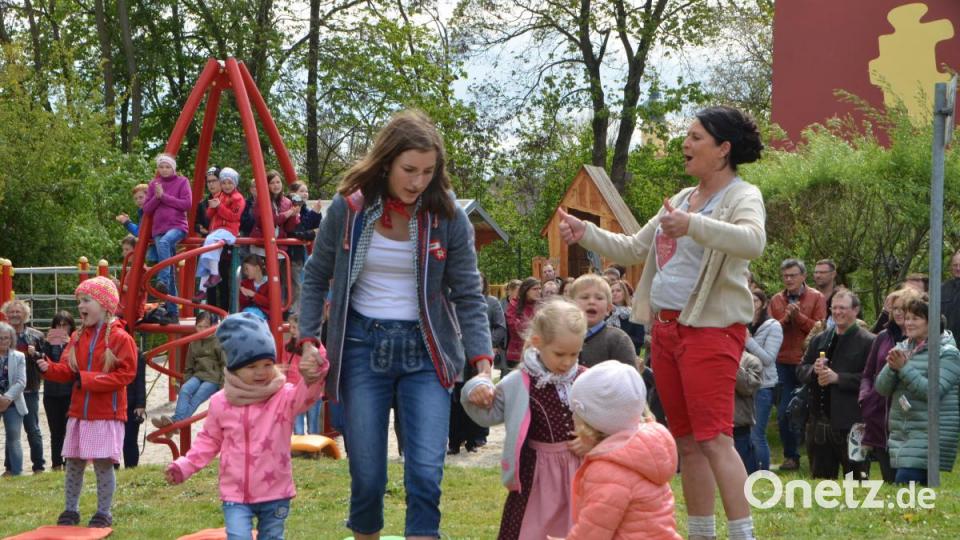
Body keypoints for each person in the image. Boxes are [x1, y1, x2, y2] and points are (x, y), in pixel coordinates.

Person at [558, 105, 764, 540]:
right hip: (667, 331)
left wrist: (693, 225)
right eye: (686, 136)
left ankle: (744, 534)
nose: (684, 145)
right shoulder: (683, 198)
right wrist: (585, 233)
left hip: (711, 331)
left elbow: (753, 241)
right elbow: (634, 247)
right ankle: (702, 533)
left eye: (695, 137)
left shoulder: (742, 196)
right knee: (686, 441)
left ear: (723, 149)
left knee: (715, 439)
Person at [297, 110, 494, 540]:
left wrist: (481, 360)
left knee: (425, 474)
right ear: (386, 162)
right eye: (409, 170)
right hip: (361, 347)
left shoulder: (447, 217)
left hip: (427, 353)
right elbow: (315, 276)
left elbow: (467, 293)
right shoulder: (348, 209)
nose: (417, 181)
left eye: (427, 171)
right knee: (367, 479)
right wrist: (308, 339)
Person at [165, 312, 328, 538]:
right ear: (234, 367)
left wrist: (315, 366)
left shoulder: (282, 396)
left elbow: (308, 395)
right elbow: (208, 441)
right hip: (236, 494)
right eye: (252, 366)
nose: (261, 372)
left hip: (275, 490)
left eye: (267, 364)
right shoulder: (221, 402)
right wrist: (185, 465)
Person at [463, 298, 589, 540]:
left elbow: (610, 418)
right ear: (537, 343)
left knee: (580, 526)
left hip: (581, 470)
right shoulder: (519, 381)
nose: (567, 362)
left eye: (574, 354)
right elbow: (487, 413)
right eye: (560, 353)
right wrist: (476, 389)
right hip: (537, 474)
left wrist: (591, 439)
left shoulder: (586, 379)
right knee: (530, 527)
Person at [36, 277, 137, 528]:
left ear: (104, 304)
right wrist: (47, 368)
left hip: (106, 414)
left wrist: (89, 379)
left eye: (86, 300)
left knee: (103, 465)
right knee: (74, 464)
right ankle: (71, 510)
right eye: (79, 301)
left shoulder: (121, 338)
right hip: (79, 413)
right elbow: (68, 371)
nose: (80, 306)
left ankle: (104, 512)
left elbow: (126, 375)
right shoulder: (78, 337)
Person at [562, 361, 681, 540]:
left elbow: (593, 530)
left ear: (591, 424)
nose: (572, 416)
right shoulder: (642, 452)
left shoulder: (607, 471)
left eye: (576, 412)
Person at [876, 295, 960, 485]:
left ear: (931, 323)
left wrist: (903, 368)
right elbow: (881, 389)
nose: (909, 323)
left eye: (916, 318)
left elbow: (933, 392)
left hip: (929, 434)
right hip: (902, 433)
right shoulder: (903, 348)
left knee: (905, 485)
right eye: (907, 318)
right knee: (913, 497)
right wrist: (892, 367)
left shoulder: (948, 353)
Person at [797, 289, 874, 479]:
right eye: (835, 308)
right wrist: (813, 370)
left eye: (843, 308)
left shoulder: (869, 341)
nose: (838, 312)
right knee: (821, 483)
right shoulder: (819, 339)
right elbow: (800, 370)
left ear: (856, 310)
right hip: (820, 423)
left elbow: (873, 380)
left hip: (854, 424)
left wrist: (839, 378)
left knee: (857, 482)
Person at [769, 258, 826, 471]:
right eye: (785, 276)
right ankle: (791, 456)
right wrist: (786, 318)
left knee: (812, 411)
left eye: (793, 275)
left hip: (806, 362)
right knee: (784, 410)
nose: (789, 279)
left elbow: (820, 329)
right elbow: (771, 329)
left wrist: (798, 317)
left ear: (803, 276)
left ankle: (817, 456)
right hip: (782, 362)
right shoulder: (776, 300)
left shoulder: (816, 297)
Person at [859, 287, 921, 482]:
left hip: (907, 414)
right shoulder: (882, 337)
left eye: (903, 308)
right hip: (878, 412)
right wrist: (865, 397)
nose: (899, 312)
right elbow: (867, 373)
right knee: (887, 475)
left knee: (905, 478)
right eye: (895, 308)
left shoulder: (919, 341)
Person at [449, 274, 503, 454]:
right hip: (456, 357)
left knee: (475, 397)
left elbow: (499, 327)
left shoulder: (491, 302)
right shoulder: (452, 301)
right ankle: (454, 442)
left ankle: (473, 439)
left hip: (477, 357)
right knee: (455, 401)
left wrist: (491, 345)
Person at [142, 153, 192, 324]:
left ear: (173, 168)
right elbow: (147, 209)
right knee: (170, 272)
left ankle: (161, 280)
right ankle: (173, 312)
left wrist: (164, 197)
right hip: (159, 229)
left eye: (167, 167)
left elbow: (186, 204)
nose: (164, 170)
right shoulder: (154, 184)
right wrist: (157, 197)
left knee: (164, 244)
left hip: (177, 227)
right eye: (161, 166)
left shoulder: (182, 182)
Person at [153, 312, 225, 428]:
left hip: (213, 378)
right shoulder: (194, 342)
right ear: (195, 327)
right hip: (198, 375)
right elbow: (189, 366)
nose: (202, 330)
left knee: (197, 397)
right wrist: (187, 380)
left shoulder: (217, 341)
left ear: (212, 326)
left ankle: (175, 422)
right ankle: (175, 423)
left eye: (206, 327)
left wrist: (223, 383)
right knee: (185, 389)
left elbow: (224, 364)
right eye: (199, 326)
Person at [2, 299, 46, 474]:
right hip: (6, 392)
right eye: (11, 312)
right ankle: (10, 467)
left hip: (29, 389)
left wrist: (35, 353)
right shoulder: (2, 333)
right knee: (11, 431)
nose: (14, 315)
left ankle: (38, 466)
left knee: (32, 429)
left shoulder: (36, 336)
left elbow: (46, 359)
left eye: (17, 312)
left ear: (25, 315)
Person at [194, 167, 246, 302]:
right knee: (207, 256)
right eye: (224, 183)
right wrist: (212, 207)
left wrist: (218, 207)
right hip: (217, 232)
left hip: (228, 232)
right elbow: (208, 216)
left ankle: (215, 275)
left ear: (235, 183)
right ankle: (202, 289)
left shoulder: (238, 198)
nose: (226, 186)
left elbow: (234, 216)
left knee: (209, 244)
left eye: (229, 183)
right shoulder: (218, 196)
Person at [745, 290, 782, 471]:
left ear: (763, 303)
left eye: (755, 300)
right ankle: (747, 471)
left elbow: (768, 359)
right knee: (743, 434)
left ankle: (762, 472)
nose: (751, 304)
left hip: (763, 386)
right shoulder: (740, 323)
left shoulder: (773, 326)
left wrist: (748, 341)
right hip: (741, 385)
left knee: (756, 433)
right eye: (748, 299)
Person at [569, 274, 636, 368]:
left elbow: (629, 378)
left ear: (608, 309)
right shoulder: (563, 336)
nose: (591, 301)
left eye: (599, 298)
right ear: (571, 305)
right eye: (584, 297)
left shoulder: (618, 340)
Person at [42, 311, 75, 471]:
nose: (62, 328)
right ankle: (56, 464)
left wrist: (71, 343)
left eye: (65, 325)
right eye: (58, 325)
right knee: (55, 431)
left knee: (69, 430)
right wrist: (46, 344)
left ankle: (69, 463)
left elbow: (78, 364)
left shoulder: (77, 340)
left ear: (70, 326)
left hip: (69, 392)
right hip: (51, 393)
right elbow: (42, 363)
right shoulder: (48, 343)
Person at [283, 314, 323, 436]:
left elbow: (323, 365)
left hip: (312, 391)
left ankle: (313, 453)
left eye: (294, 327)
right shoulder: (287, 346)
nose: (291, 330)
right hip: (295, 391)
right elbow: (285, 368)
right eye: (290, 327)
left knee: (313, 427)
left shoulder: (316, 347)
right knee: (298, 429)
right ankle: (300, 452)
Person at [288, 181, 323, 313]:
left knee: (298, 285)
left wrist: (316, 213)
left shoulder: (304, 209)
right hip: (290, 253)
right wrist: (312, 231)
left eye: (306, 191)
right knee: (294, 286)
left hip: (298, 254)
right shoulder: (292, 208)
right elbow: (300, 230)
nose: (305, 194)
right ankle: (292, 314)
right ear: (293, 193)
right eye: (302, 191)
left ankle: (295, 313)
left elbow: (314, 227)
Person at [249, 169, 300, 257]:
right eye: (272, 183)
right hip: (261, 247)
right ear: (267, 185)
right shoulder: (261, 200)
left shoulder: (287, 202)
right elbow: (268, 221)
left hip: (280, 248)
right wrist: (288, 213)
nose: (276, 185)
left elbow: (289, 228)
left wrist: (294, 216)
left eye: (278, 182)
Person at [0, 321, 27, 477]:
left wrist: (7, 398)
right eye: (0, 338)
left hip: (13, 403)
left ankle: (17, 473)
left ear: (11, 340)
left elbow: (21, 382)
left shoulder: (19, 356)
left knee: (14, 438)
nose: (3, 341)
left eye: (6, 338)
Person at [733, 351, 762, 474]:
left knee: (747, 477)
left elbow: (747, 387)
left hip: (739, 428)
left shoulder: (751, 361)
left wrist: (731, 363)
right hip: (713, 425)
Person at [505, 277, 542, 372]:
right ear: (526, 290)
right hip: (517, 353)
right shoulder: (514, 304)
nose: (538, 291)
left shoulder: (541, 306)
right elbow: (514, 328)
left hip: (538, 352)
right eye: (535, 289)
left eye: (539, 288)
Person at [607, 279, 645, 354]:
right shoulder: (606, 314)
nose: (614, 293)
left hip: (628, 354)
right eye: (612, 291)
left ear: (625, 293)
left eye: (618, 290)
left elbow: (640, 340)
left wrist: (618, 339)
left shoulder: (634, 313)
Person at [239, 254, 272, 320]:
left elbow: (270, 303)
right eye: (244, 269)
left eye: (247, 269)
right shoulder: (245, 283)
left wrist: (254, 295)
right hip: (247, 311)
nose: (245, 272)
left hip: (263, 313)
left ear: (257, 268)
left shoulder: (270, 284)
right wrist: (245, 295)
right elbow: (242, 303)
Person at [195, 167, 221, 237]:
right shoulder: (202, 204)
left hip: (227, 243)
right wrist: (199, 228)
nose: (211, 184)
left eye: (214, 180)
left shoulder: (232, 199)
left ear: (221, 181)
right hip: (208, 242)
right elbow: (196, 223)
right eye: (209, 181)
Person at [941, 250, 960, 339]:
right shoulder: (942, 288)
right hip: (946, 341)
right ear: (951, 267)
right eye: (955, 265)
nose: (958, 268)